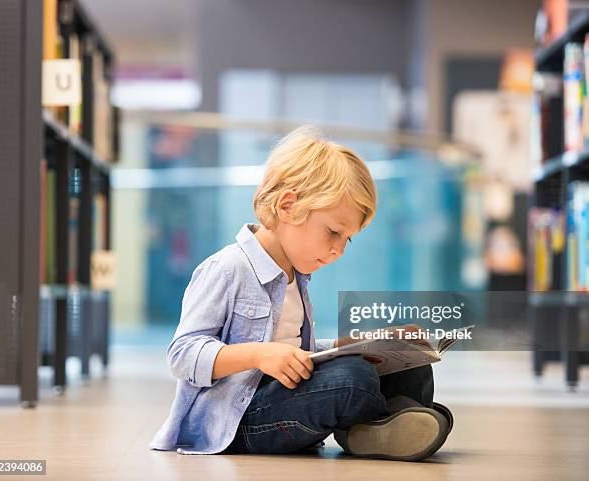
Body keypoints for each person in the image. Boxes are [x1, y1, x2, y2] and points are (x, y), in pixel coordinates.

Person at [149, 126, 452, 461]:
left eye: (346, 239)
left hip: (285, 402)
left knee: (410, 363)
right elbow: (182, 353)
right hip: (241, 421)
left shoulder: (295, 277)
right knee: (353, 378)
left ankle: (393, 425)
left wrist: (363, 344)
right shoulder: (226, 268)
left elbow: (297, 353)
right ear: (288, 207)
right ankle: (384, 425)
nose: (339, 250)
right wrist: (259, 355)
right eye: (334, 232)